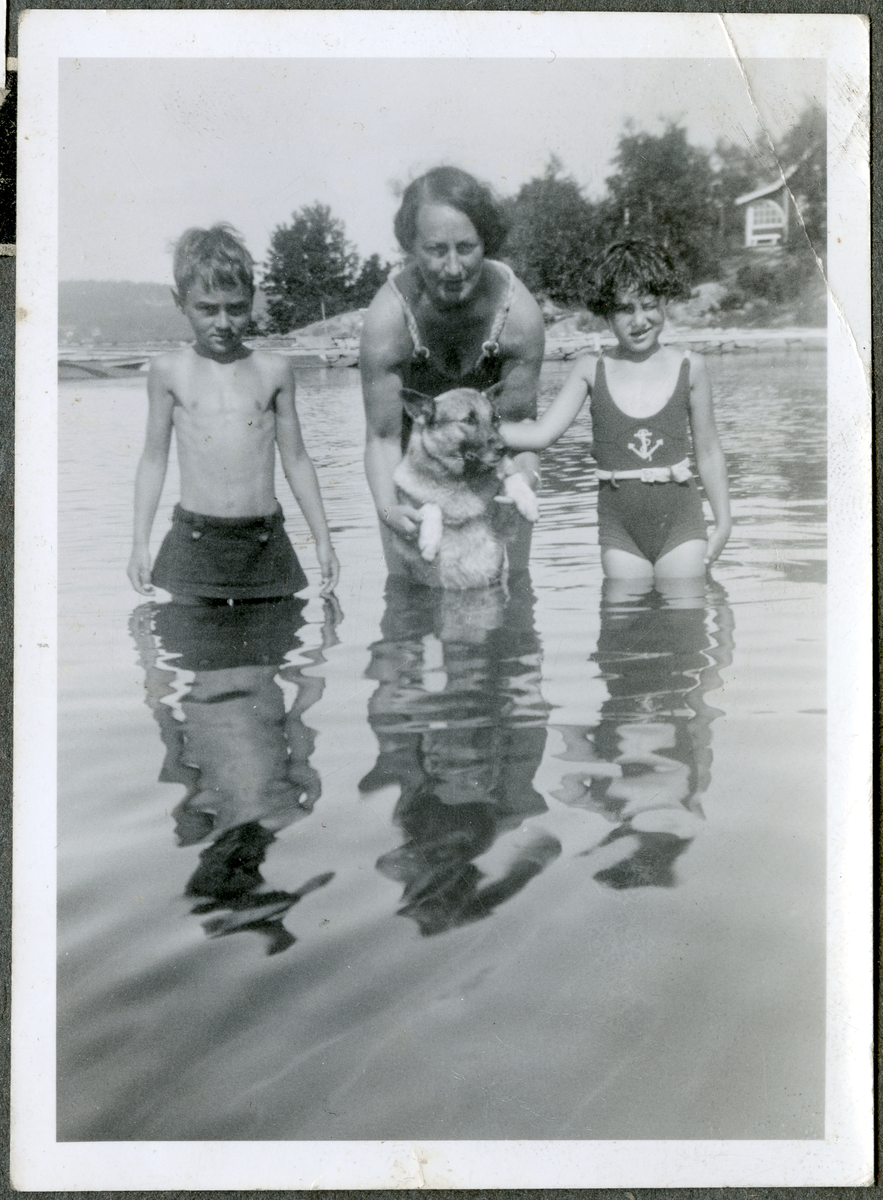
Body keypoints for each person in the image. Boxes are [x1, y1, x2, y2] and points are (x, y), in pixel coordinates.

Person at [127, 224, 339, 603]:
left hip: (263, 540)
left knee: (273, 651)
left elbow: (297, 460)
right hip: (195, 541)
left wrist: (323, 540)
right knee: (193, 646)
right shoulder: (167, 371)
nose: (223, 323)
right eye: (207, 309)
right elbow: (153, 461)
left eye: (236, 308)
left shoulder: (274, 370)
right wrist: (139, 543)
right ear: (180, 302)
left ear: (252, 298)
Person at [500, 239, 732, 581]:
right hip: (620, 530)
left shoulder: (691, 367)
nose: (639, 320)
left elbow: (709, 451)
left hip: (681, 523)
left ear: (664, 302)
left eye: (649, 305)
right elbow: (541, 434)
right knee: (623, 626)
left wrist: (724, 521)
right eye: (625, 309)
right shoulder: (590, 368)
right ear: (607, 313)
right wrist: (475, 429)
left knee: (686, 624)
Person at [360, 166, 545, 571]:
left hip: (498, 463)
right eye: (435, 250)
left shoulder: (519, 316)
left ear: (486, 242)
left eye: (466, 247)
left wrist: (524, 484)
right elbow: (382, 437)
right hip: (416, 474)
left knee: (514, 591)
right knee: (411, 600)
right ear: (411, 246)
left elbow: (520, 423)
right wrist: (388, 509)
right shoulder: (388, 321)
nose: (453, 268)